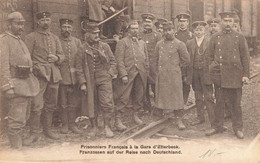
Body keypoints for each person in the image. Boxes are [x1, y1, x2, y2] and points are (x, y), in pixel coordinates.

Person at [205, 12, 250, 139]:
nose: (228, 23)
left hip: (235, 75)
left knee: (236, 104)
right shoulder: (215, 37)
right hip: (220, 76)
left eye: (230, 21)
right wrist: (212, 70)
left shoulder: (239, 37)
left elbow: (245, 58)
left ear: (233, 22)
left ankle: (238, 128)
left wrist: (246, 75)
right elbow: (209, 56)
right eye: (225, 21)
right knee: (219, 102)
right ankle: (217, 126)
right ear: (221, 22)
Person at [23, 12, 64, 144]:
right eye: (43, 20)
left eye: (48, 20)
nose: (46, 22)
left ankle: (48, 130)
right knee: (36, 105)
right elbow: (26, 58)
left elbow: (62, 55)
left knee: (51, 105)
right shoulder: (31, 37)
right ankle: (34, 133)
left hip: (54, 75)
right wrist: (36, 67)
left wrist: (57, 58)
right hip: (38, 76)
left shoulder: (54, 38)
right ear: (38, 22)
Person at [0, 12, 39, 149]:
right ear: (8, 25)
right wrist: (7, 86)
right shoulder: (4, 40)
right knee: (16, 117)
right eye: (17, 23)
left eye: (22, 23)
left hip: (26, 84)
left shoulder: (19, 40)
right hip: (15, 84)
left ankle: (18, 142)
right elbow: (3, 65)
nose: (21, 26)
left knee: (24, 115)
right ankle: (16, 148)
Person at [75, 22, 117, 138]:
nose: (97, 35)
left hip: (104, 78)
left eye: (98, 33)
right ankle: (93, 127)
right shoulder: (82, 49)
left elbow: (113, 62)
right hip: (90, 79)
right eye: (94, 33)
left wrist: (110, 73)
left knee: (107, 103)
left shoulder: (105, 46)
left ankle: (107, 127)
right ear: (87, 34)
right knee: (91, 104)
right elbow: (78, 68)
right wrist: (82, 82)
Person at [154, 21, 190, 130]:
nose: (167, 32)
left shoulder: (180, 44)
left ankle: (179, 119)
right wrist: (159, 70)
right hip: (163, 74)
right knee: (162, 95)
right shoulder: (159, 44)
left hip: (175, 75)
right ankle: (160, 116)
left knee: (177, 97)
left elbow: (186, 60)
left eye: (170, 30)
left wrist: (177, 68)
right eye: (165, 30)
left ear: (174, 30)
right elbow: (155, 59)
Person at [114, 20, 149, 129]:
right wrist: (123, 74)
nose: (135, 30)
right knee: (123, 96)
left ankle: (135, 115)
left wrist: (145, 71)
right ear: (128, 30)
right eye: (133, 28)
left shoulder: (142, 43)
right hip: (128, 74)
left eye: (136, 28)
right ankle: (118, 119)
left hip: (140, 73)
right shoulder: (122, 42)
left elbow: (146, 58)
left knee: (139, 95)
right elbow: (119, 60)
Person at [186, 21, 215, 126]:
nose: (198, 32)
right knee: (198, 96)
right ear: (193, 31)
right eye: (196, 30)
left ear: (204, 30)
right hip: (195, 74)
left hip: (206, 73)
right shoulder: (189, 43)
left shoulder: (210, 41)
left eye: (201, 29)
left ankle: (213, 119)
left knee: (208, 97)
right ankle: (200, 118)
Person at [58, 18, 82, 134]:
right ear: (60, 28)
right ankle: (65, 124)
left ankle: (72, 124)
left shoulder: (77, 42)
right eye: (64, 27)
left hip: (75, 78)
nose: (66, 29)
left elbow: (80, 59)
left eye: (68, 27)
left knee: (73, 103)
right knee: (63, 103)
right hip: (62, 77)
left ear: (72, 29)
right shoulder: (57, 41)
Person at [139, 13, 162, 110]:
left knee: (155, 86)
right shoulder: (139, 35)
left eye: (149, 22)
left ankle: (158, 107)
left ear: (152, 23)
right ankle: (146, 107)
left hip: (154, 65)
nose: (147, 23)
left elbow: (161, 50)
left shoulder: (157, 35)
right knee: (143, 86)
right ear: (142, 23)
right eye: (145, 22)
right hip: (142, 64)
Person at [175, 12, 193, 105]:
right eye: (180, 21)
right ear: (178, 23)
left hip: (187, 63)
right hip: (177, 63)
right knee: (177, 83)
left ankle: (184, 102)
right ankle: (178, 102)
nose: (182, 23)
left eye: (184, 21)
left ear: (188, 23)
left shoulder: (191, 35)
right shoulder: (175, 35)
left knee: (186, 83)